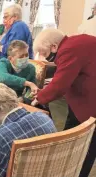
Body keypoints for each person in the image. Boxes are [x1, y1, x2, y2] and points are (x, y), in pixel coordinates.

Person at [32, 29, 96, 177]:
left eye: (46, 54)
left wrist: (39, 98)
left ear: (54, 46)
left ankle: (76, 171)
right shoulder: (76, 42)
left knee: (86, 144)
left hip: (90, 104)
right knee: (72, 132)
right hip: (83, 99)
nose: (47, 59)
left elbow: (60, 85)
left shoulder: (68, 50)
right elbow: (65, 76)